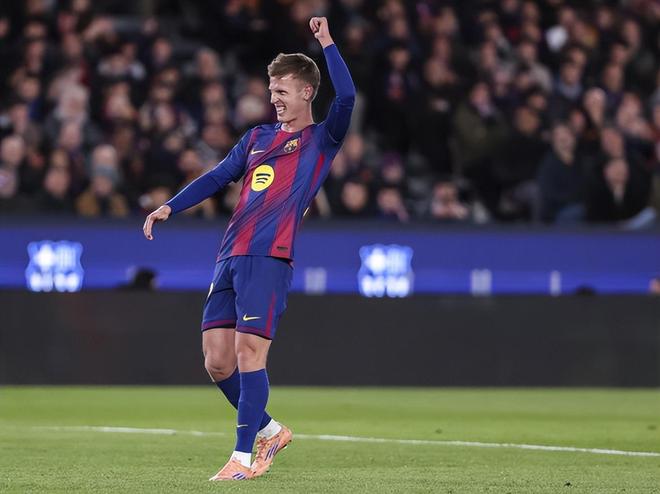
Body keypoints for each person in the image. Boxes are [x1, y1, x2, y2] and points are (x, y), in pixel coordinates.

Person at [142, 17, 355, 481]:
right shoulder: (257, 138)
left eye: (283, 90)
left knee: (248, 354)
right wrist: (170, 206)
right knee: (216, 361)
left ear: (306, 92)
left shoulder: (322, 139)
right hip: (230, 255)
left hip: (269, 256)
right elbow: (220, 175)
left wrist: (326, 42)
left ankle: (241, 459)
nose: (274, 97)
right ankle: (272, 430)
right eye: (271, 89)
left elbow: (347, 98)